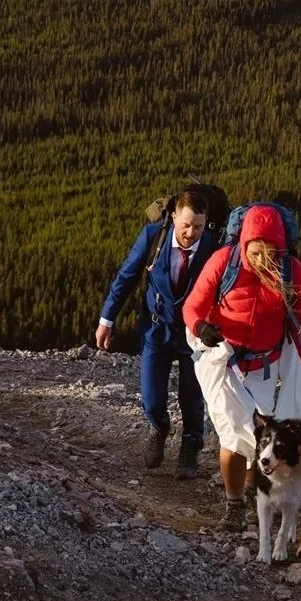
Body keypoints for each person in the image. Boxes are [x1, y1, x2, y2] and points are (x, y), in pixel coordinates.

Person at [182, 203, 301, 531]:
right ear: (244, 244)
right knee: (233, 436)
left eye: (271, 254)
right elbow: (193, 306)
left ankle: (250, 491)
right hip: (223, 363)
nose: (263, 261)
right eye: (256, 254)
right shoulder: (224, 262)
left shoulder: (292, 272)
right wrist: (200, 327)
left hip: (264, 368)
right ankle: (234, 505)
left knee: (260, 437)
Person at [96, 185, 221, 477]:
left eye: (199, 226)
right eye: (187, 224)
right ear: (174, 216)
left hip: (195, 334)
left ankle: (190, 446)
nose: (192, 232)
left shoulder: (214, 247)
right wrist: (107, 319)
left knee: (192, 396)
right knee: (152, 395)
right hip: (156, 328)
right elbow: (126, 276)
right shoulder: (154, 237)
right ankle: (159, 426)